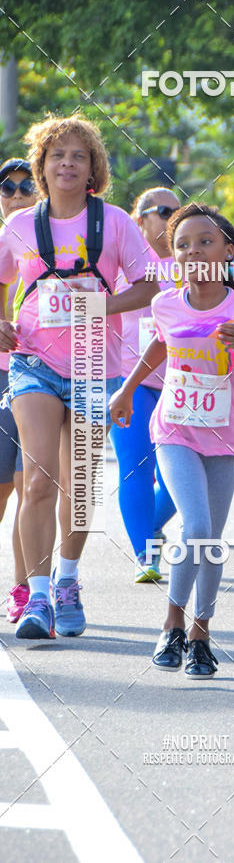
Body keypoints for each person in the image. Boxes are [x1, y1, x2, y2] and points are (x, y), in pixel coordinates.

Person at [109, 203, 234, 679]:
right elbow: (160, 345)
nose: (193, 251)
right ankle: (172, 620)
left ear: (229, 252)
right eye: (183, 245)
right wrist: (128, 390)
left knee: (209, 539)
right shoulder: (164, 303)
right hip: (174, 430)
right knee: (195, 526)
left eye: (205, 242)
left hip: (222, 439)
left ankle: (201, 633)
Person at [0, 113, 158, 640]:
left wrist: (101, 304)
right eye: (57, 155)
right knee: (39, 478)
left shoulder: (113, 222)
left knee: (82, 488)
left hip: (95, 362)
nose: (67, 163)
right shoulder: (20, 226)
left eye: (79, 155)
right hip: (33, 363)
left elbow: (150, 284)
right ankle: (38, 597)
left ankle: (68, 580)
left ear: (94, 168)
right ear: (42, 165)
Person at [110, 187, 179, 583]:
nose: (172, 220)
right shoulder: (121, 267)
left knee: (179, 475)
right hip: (130, 382)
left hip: (183, 385)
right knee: (135, 467)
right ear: (140, 220)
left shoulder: (192, 260)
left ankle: (148, 525)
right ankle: (145, 554)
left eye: (177, 212)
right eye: (163, 212)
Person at [0, 158, 36, 622]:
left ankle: (28, 591)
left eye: (27, 186)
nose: (17, 193)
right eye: (7, 187)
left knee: (34, 487)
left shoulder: (52, 241)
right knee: (2, 491)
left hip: (37, 372)